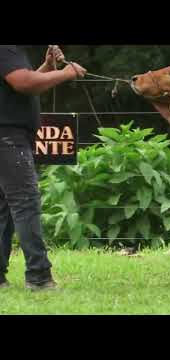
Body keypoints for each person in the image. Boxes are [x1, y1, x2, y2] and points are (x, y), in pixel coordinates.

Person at [0, 45, 87, 290]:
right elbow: (25, 83)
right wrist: (67, 73)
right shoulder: (6, 48)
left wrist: (48, 68)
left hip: (6, 136)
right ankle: (39, 277)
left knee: (4, 208)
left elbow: (19, 87)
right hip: (8, 137)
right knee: (25, 203)